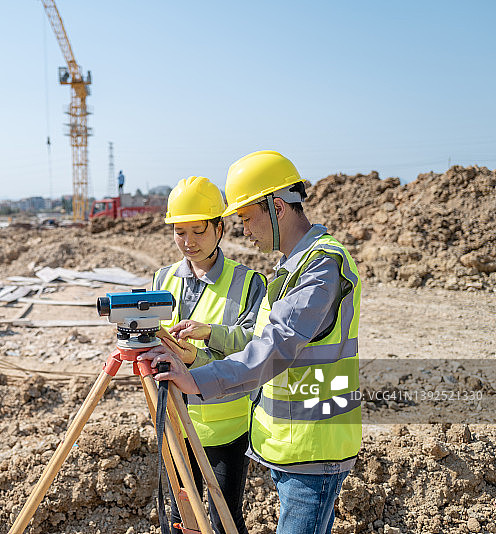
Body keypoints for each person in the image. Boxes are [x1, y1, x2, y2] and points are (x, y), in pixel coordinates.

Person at [143, 151, 362, 534]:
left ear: (277, 207)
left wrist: (199, 377)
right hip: (290, 446)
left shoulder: (321, 265)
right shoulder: (292, 266)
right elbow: (262, 342)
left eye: (246, 218)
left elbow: (275, 345)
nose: (244, 230)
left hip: (314, 446)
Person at [153, 176, 266, 534]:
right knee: (180, 519)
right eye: (180, 232)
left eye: (199, 231)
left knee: (224, 520)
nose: (188, 243)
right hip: (173, 420)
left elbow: (256, 347)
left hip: (225, 427)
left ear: (220, 227)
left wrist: (209, 336)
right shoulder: (162, 279)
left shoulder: (249, 283)